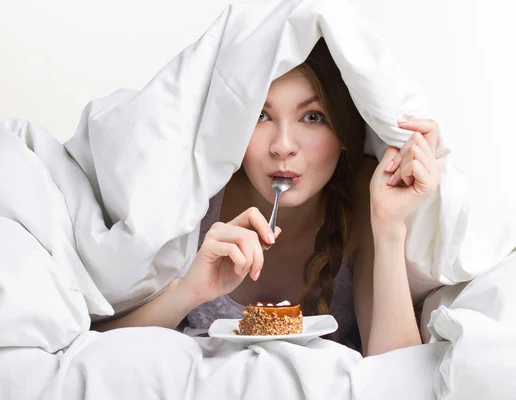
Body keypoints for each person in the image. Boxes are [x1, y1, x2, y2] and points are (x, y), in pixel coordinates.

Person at [94, 38, 441, 356]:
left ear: (345, 131)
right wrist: (188, 292)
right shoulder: (198, 191)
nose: (283, 146)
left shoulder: (364, 195)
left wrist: (390, 227)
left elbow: (398, 375)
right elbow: (96, 354)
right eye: (260, 116)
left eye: (312, 117)